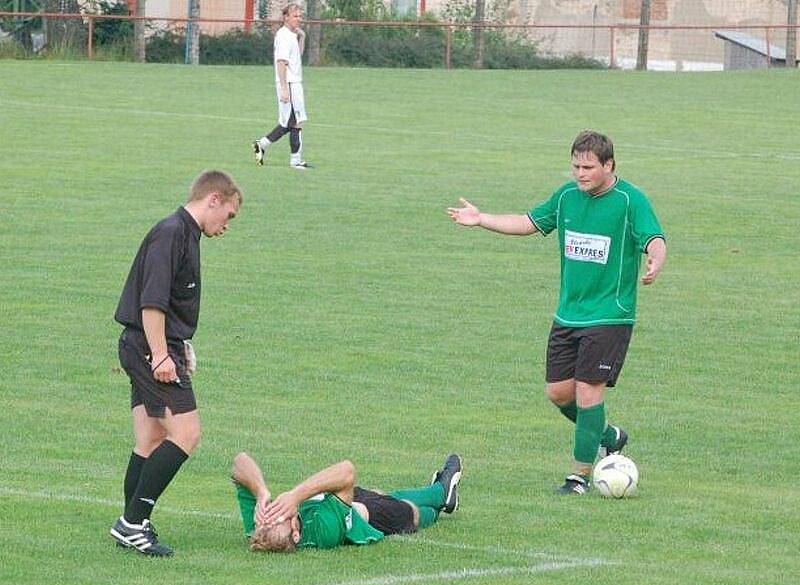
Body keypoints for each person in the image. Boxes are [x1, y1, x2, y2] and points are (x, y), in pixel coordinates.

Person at [447, 130, 667, 495]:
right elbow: (529, 223)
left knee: (587, 393)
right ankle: (609, 436)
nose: (580, 174)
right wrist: (481, 218)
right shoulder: (566, 197)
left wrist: (655, 261)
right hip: (568, 314)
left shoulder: (630, 200)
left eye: (588, 167)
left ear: (608, 165)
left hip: (610, 315)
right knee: (558, 393)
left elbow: (654, 238)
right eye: (576, 166)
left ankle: (579, 477)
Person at [110, 170, 243, 556]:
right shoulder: (172, 232)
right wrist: (162, 355)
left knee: (150, 438)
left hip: (150, 345)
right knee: (186, 433)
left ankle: (132, 521)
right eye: (229, 215)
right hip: (150, 347)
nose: (227, 225)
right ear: (213, 199)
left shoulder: (187, 234)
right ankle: (132, 523)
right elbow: (152, 301)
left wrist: (180, 343)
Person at [231, 452, 463, 552]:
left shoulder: (260, 524)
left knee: (377, 491)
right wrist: (295, 496)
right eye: (282, 517)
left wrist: (261, 492)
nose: (276, 513)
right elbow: (347, 471)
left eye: (270, 518)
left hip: (338, 496)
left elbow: (239, 462)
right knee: (412, 513)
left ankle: (443, 495)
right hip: (371, 517)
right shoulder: (323, 530)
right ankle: (442, 494)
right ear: (296, 534)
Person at [253, 3, 311, 170]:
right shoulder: (284, 36)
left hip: (295, 83)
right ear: (285, 17)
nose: (298, 19)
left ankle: (261, 145)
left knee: (291, 122)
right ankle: (295, 160)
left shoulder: (291, 35)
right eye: (295, 16)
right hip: (290, 84)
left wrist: (302, 37)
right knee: (295, 122)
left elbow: (297, 56)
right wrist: (284, 88)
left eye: (300, 16)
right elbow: (281, 63)